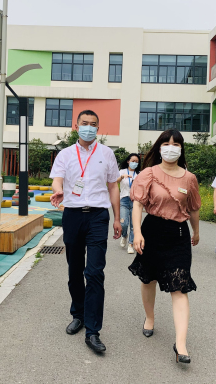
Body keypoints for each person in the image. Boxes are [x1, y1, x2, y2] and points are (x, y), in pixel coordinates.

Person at [50, 110, 122, 354]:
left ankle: (93, 331)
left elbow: (113, 187)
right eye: (84, 123)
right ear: (76, 126)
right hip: (72, 215)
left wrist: (117, 218)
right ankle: (78, 314)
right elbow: (57, 179)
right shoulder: (65, 154)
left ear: (98, 128)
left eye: (93, 124)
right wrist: (58, 190)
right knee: (75, 270)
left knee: (94, 272)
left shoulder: (107, 153)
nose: (89, 127)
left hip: (98, 217)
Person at [128, 129, 201, 365]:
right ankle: (149, 318)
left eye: (176, 144)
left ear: (181, 149)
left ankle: (181, 344)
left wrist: (196, 231)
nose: (171, 148)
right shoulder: (148, 173)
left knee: (179, 287)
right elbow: (138, 205)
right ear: (159, 148)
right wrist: (137, 233)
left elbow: (194, 208)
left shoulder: (189, 178)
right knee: (148, 279)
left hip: (178, 235)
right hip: (151, 232)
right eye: (167, 144)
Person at [116, 153, 140, 254]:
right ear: (128, 161)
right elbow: (115, 181)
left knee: (134, 225)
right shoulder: (122, 171)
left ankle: (130, 245)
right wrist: (122, 177)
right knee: (124, 223)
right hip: (124, 200)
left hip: (135, 201)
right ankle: (124, 235)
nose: (135, 163)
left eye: (137, 162)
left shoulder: (139, 174)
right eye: (133, 161)